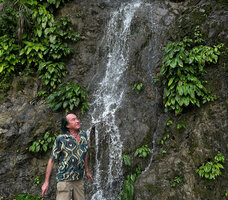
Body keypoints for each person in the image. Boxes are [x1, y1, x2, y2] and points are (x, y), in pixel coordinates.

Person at [41, 113, 93, 200]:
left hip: (78, 180)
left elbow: (85, 153)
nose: (77, 121)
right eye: (73, 120)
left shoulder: (83, 135)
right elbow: (52, 160)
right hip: (64, 180)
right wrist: (46, 182)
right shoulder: (61, 139)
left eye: (77, 119)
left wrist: (87, 171)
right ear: (67, 125)